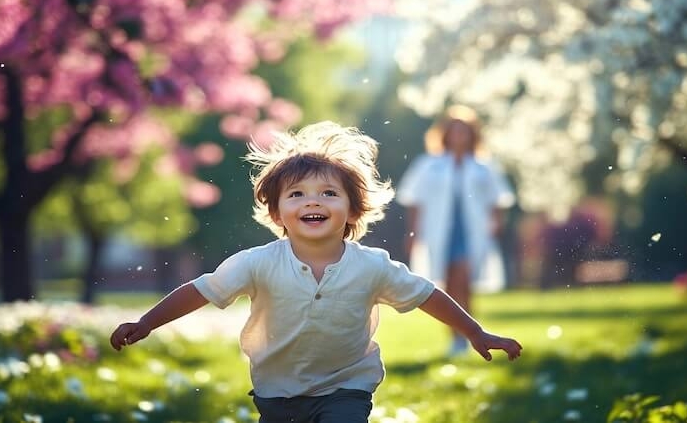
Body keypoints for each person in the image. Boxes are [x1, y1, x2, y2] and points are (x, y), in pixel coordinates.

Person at [110, 121, 522, 423]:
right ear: (276, 212)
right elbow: (201, 290)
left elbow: (425, 294)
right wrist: (147, 322)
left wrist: (474, 332)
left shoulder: (371, 266)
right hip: (276, 393)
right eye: (298, 194)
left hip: (347, 387)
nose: (314, 201)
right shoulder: (258, 262)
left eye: (329, 193)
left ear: (352, 209)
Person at [396, 105, 516, 357]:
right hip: (439, 232)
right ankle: (458, 338)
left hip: (472, 232)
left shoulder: (483, 166)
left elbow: (498, 199)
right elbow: (414, 200)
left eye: (464, 131)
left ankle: (470, 334)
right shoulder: (429, 165)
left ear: (473, 135)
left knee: (464, 279)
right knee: (449, 283)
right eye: (454, 131)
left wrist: (495, 224)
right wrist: (413, 233)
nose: (459, 136)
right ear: (445, 134)